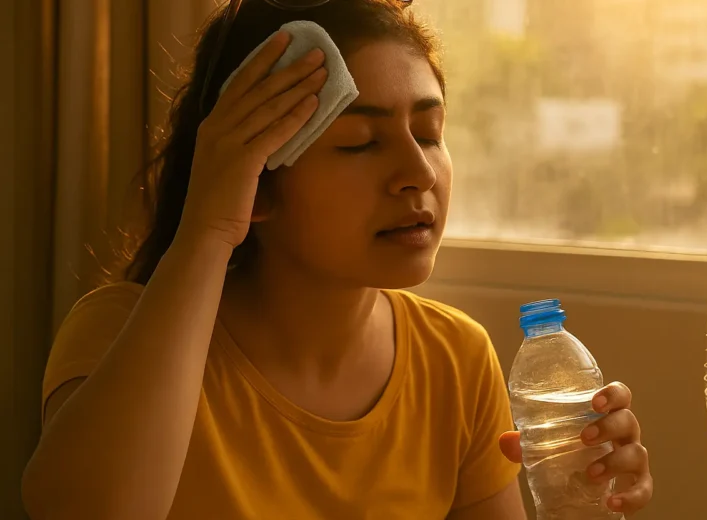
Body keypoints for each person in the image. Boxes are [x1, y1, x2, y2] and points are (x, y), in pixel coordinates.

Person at [21, 1, 653, 519]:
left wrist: (590, 500)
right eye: (358, 142)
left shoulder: (456, 361)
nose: (417, 172)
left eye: (430, 134)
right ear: (258, 184)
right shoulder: (119, 331)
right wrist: (209, 225)